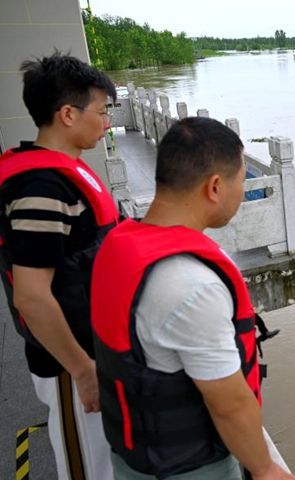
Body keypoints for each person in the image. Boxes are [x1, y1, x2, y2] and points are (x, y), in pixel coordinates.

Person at [91, 117, 295, 480]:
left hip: (134, 460)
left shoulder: (117, 246)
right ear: (215, 187)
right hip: (189, 468)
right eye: (241, 180)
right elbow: (229, 404)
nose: (242, 190)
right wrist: (266, 469)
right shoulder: (191, 286)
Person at [0, 52, 118, 479]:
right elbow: (31, 296)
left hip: (91, 345)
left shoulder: (63, 174)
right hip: (70, 359)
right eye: (102, 112)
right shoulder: (41, 188)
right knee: (87, 464)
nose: (107, 123)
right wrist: (82, 369)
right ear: (68, 114)